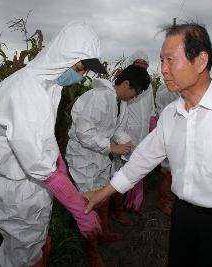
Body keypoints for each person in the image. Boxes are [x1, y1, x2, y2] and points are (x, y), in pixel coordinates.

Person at [83, 23, 212, 267]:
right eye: (161, 60)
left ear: (200, 61)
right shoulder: (170, 114)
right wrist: (103, 193)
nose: (163, 69)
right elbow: (142, 160)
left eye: (170, 60)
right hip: (183, 218)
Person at [0, 21, 106, 267]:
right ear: (64, 56)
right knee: (23, 258)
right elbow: (36, 160)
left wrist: (61, 171)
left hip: (34, 188)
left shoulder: (47, 86)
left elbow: (45, 141)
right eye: (80, 68)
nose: (81, 76)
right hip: (18, 192)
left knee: (34, 246)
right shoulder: (27, 91)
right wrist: (78, 208)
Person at [65, 64, 150, 266]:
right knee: (90, 204)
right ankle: (92, 252)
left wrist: (129, 145)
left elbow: (117, 130)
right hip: (83, 159)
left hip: (100, 158)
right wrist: (112, 148)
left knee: (103, 197)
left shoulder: (122, 104)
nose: (136, 97)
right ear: (126, 84)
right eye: (136, 92)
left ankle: (103, 233)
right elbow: (83, 133)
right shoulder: (99, 97)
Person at [112, 50, 156, 223]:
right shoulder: (125, 84)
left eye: (144, 65)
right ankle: (119, 209)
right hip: (125, 134)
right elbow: (118, 112)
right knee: (120, 172)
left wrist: (153, 128)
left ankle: (134, 203)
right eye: (138, 64)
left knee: (138, 170)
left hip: (142, 134)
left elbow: (151, 108)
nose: (142, 68)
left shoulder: (148, 85)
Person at [154, 84, 179, 216]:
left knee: (166, 170)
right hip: (172, 133)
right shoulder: (174, 90)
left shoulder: (162, 88)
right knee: (170, 171)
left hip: (167, 130)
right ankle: (162, 201)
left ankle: (166, 195)